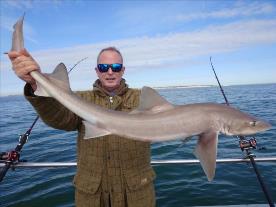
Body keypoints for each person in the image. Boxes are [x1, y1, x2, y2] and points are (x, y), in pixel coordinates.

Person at [8, 47, 156, 207]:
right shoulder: (80, 98)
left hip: (137, 194)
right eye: (104, 67)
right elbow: (60, 119)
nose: (110, 72)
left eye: (116, 67)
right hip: (93, 196)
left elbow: (164, 123)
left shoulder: (144, 98)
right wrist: (35, 84)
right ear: (97, 71)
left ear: (123, 70)